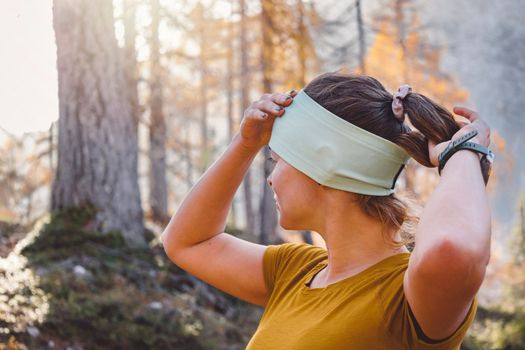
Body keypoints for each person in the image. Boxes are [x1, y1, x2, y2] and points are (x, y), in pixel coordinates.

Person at [161, 72, 493, 349]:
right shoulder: (295, 271)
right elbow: (187, 242)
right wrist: (244, 144)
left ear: (323, 163)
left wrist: (462, 155)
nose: (271, 180)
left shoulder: (406, 296)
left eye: (276, 160)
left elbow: (454, 250)